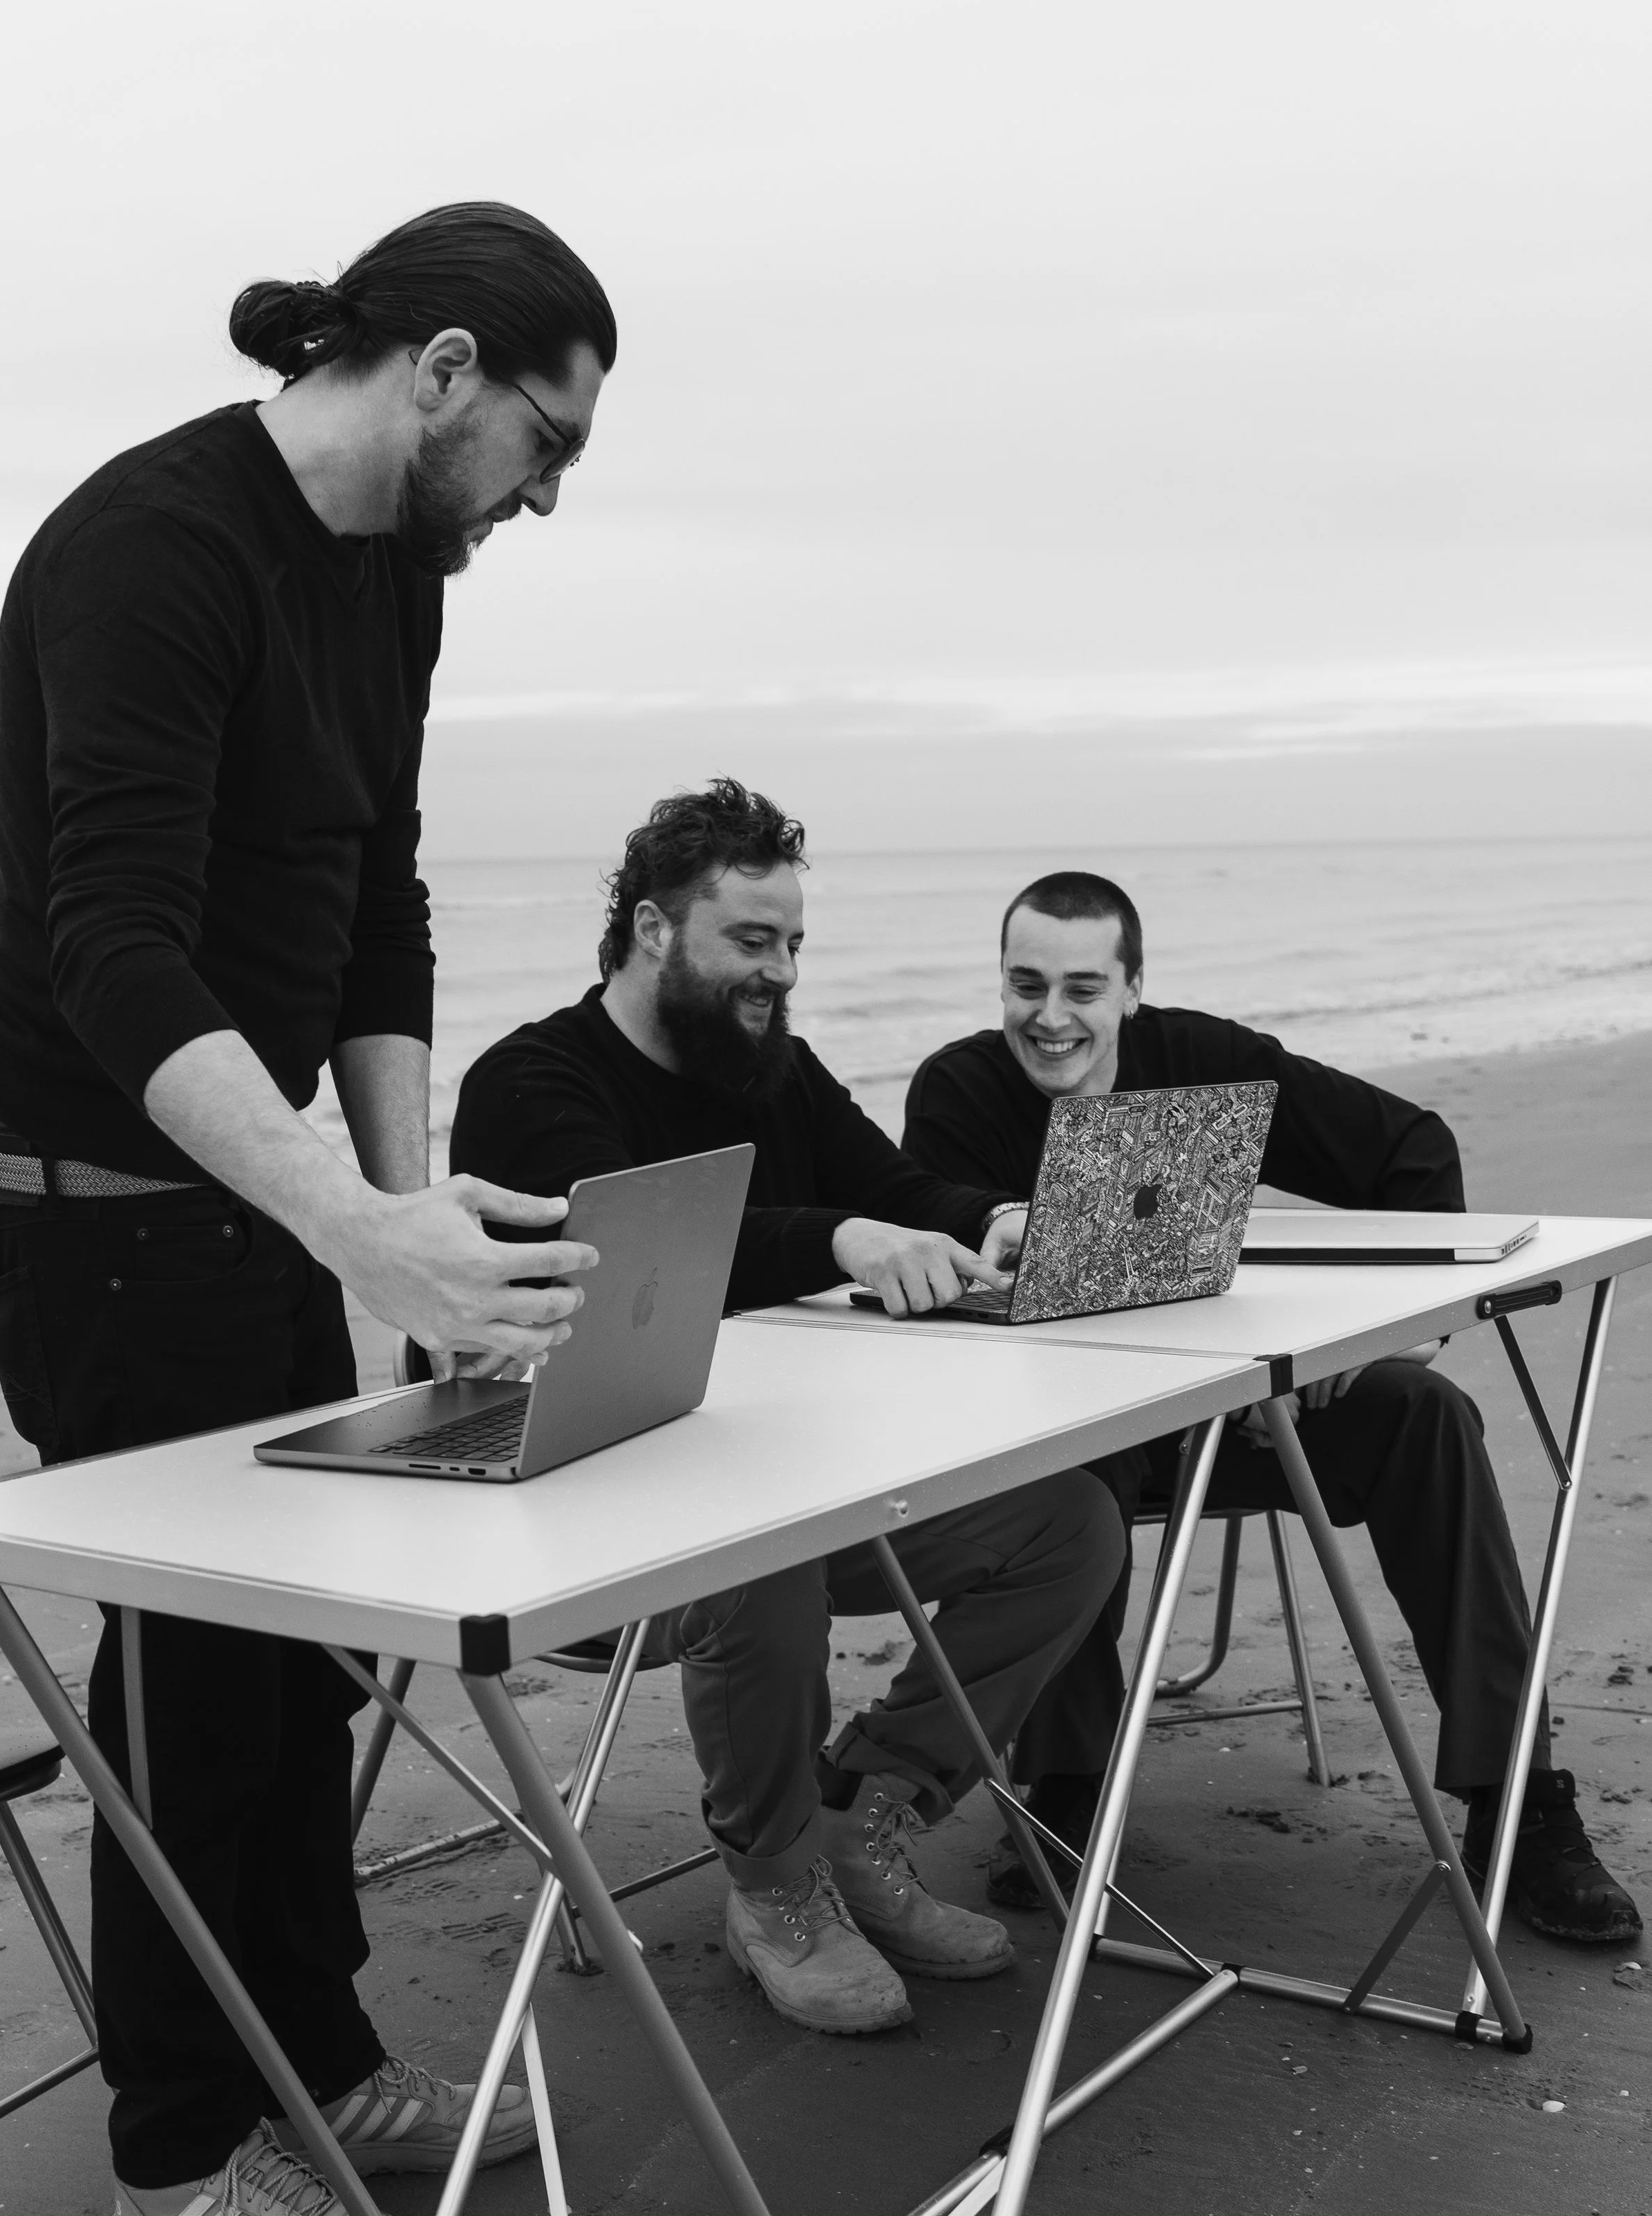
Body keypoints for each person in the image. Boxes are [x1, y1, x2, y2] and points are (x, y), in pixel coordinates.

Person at [0, 203, 620, 2216]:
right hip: (95, 1191)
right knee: (184, 1680)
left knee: (299, 1650)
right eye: (544, 438)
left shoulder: (392, 576)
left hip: (261, 1193)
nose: (542, 495)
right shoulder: (150, 547)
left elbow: (376, 903)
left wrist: (412, 1207)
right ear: (439, 369)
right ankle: (171, 2164)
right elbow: (115, 944)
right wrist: (352, 1218)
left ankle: (315, 2057)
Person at [451, 783, 1126, 2034]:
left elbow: (892, 1180)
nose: (782, 974)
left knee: (1070, 1525)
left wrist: (993, 1218)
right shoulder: (531, 1083)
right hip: (571, 1508)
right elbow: (639, 1257)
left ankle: (865, 1810)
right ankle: (772, 1886)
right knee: (766, 1548)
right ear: (656, 930)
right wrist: (844, 1238)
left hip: (781, 1471)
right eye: (752, 942)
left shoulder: (772, 1065)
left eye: (796, 944)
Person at [902, 870, 1641, 1946]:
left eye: (1081, 987)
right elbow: (934, 1248)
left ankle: (1516, 1795)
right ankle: (1067, 1782)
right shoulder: (959, 1089)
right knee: (1070, 1470)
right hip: (1067, 1433)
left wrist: (1387, 1331)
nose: (1050, 1017)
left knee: (1426, 1416)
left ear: (1133, 990)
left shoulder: (1206, 1060)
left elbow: (1412, 1151)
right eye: (1026, 984)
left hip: (1245, 1409)